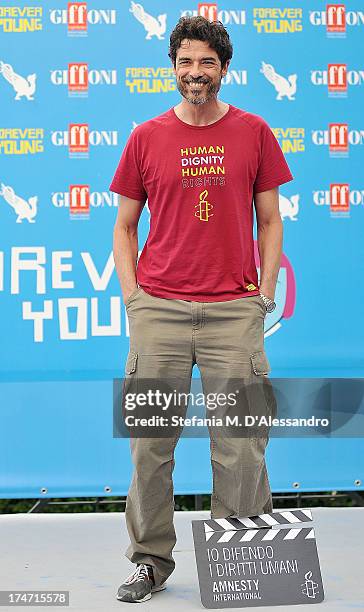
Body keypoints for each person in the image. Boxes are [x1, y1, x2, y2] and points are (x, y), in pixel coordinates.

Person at [109, 15, 293, 603]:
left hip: (233, 312)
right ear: (174, 66)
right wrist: (134, 298)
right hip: (158, 309)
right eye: (186, 62)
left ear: (223, 68)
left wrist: (262, 293)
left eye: (207, 62)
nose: (196, 73)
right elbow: (124, 226)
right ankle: (149, 562)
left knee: (241, 443)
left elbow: (270, 220)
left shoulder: (255, 132)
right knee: (150, 446)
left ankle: (240, 564)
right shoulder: (146, 137)